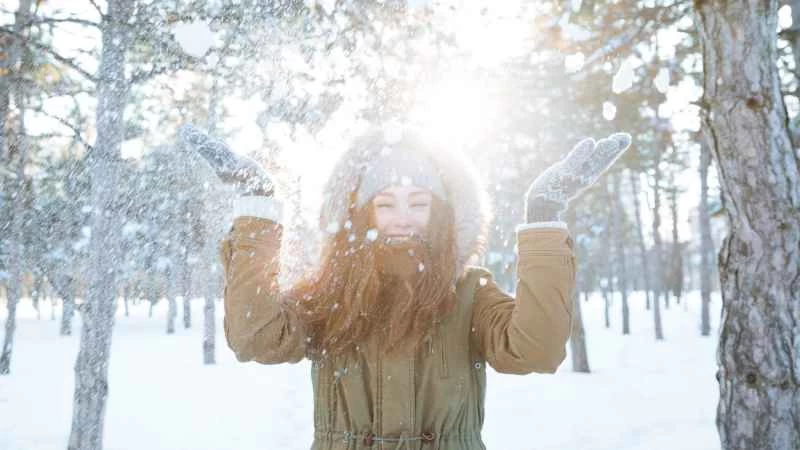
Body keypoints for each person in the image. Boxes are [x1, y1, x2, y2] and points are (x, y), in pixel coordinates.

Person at [180, 123, 631, 449]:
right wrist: (258, 206)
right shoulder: (329, 293)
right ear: (362, 212)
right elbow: (255, 337)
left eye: (419, 202)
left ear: (442, 213)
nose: (402, 216)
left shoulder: (470, 293)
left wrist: (543, 217)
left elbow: (535, 349)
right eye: (386, 203)